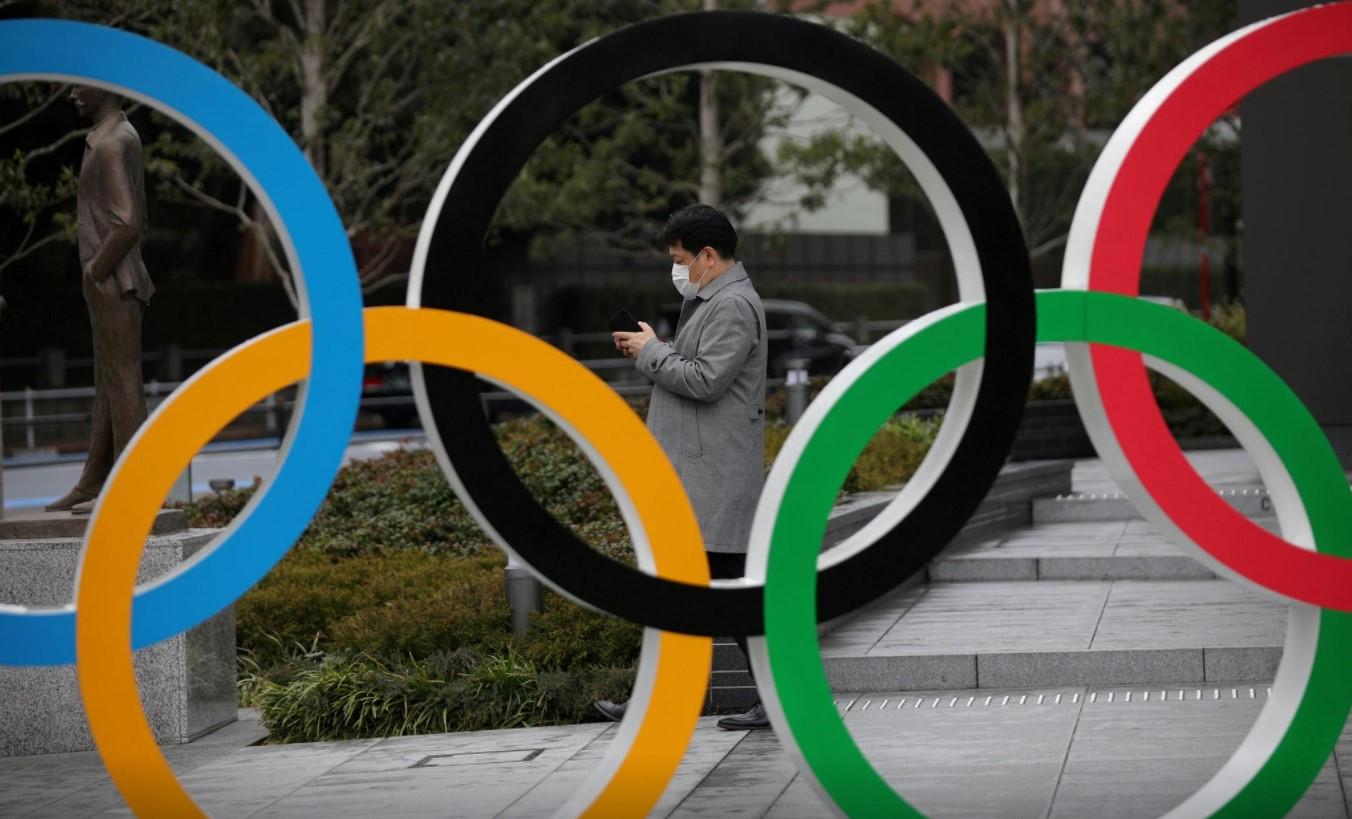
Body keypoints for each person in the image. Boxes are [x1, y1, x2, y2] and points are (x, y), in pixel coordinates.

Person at [602, 203, 770, 730]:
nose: (676, 269)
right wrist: (657, 347)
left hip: (713, 477)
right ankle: (669, 699)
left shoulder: (733, 305)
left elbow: (705, 380)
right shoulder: (711, 300)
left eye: (680, 259)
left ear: (707, 255)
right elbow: (697, 367)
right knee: (694, 593)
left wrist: (653, 351)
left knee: (722, 593)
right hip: (703, 475)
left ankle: (769, 697)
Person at [45, 86, 154, 514]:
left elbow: (127, 221)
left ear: (102, 90)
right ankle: (94, 482)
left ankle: (133, 486)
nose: (71, 94)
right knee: (110, 382)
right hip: (112, 278)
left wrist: (97, 268)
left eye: (78, 86)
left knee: (124, 382)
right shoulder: (113, 135)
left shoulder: (113, 142)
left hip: (115, 277)